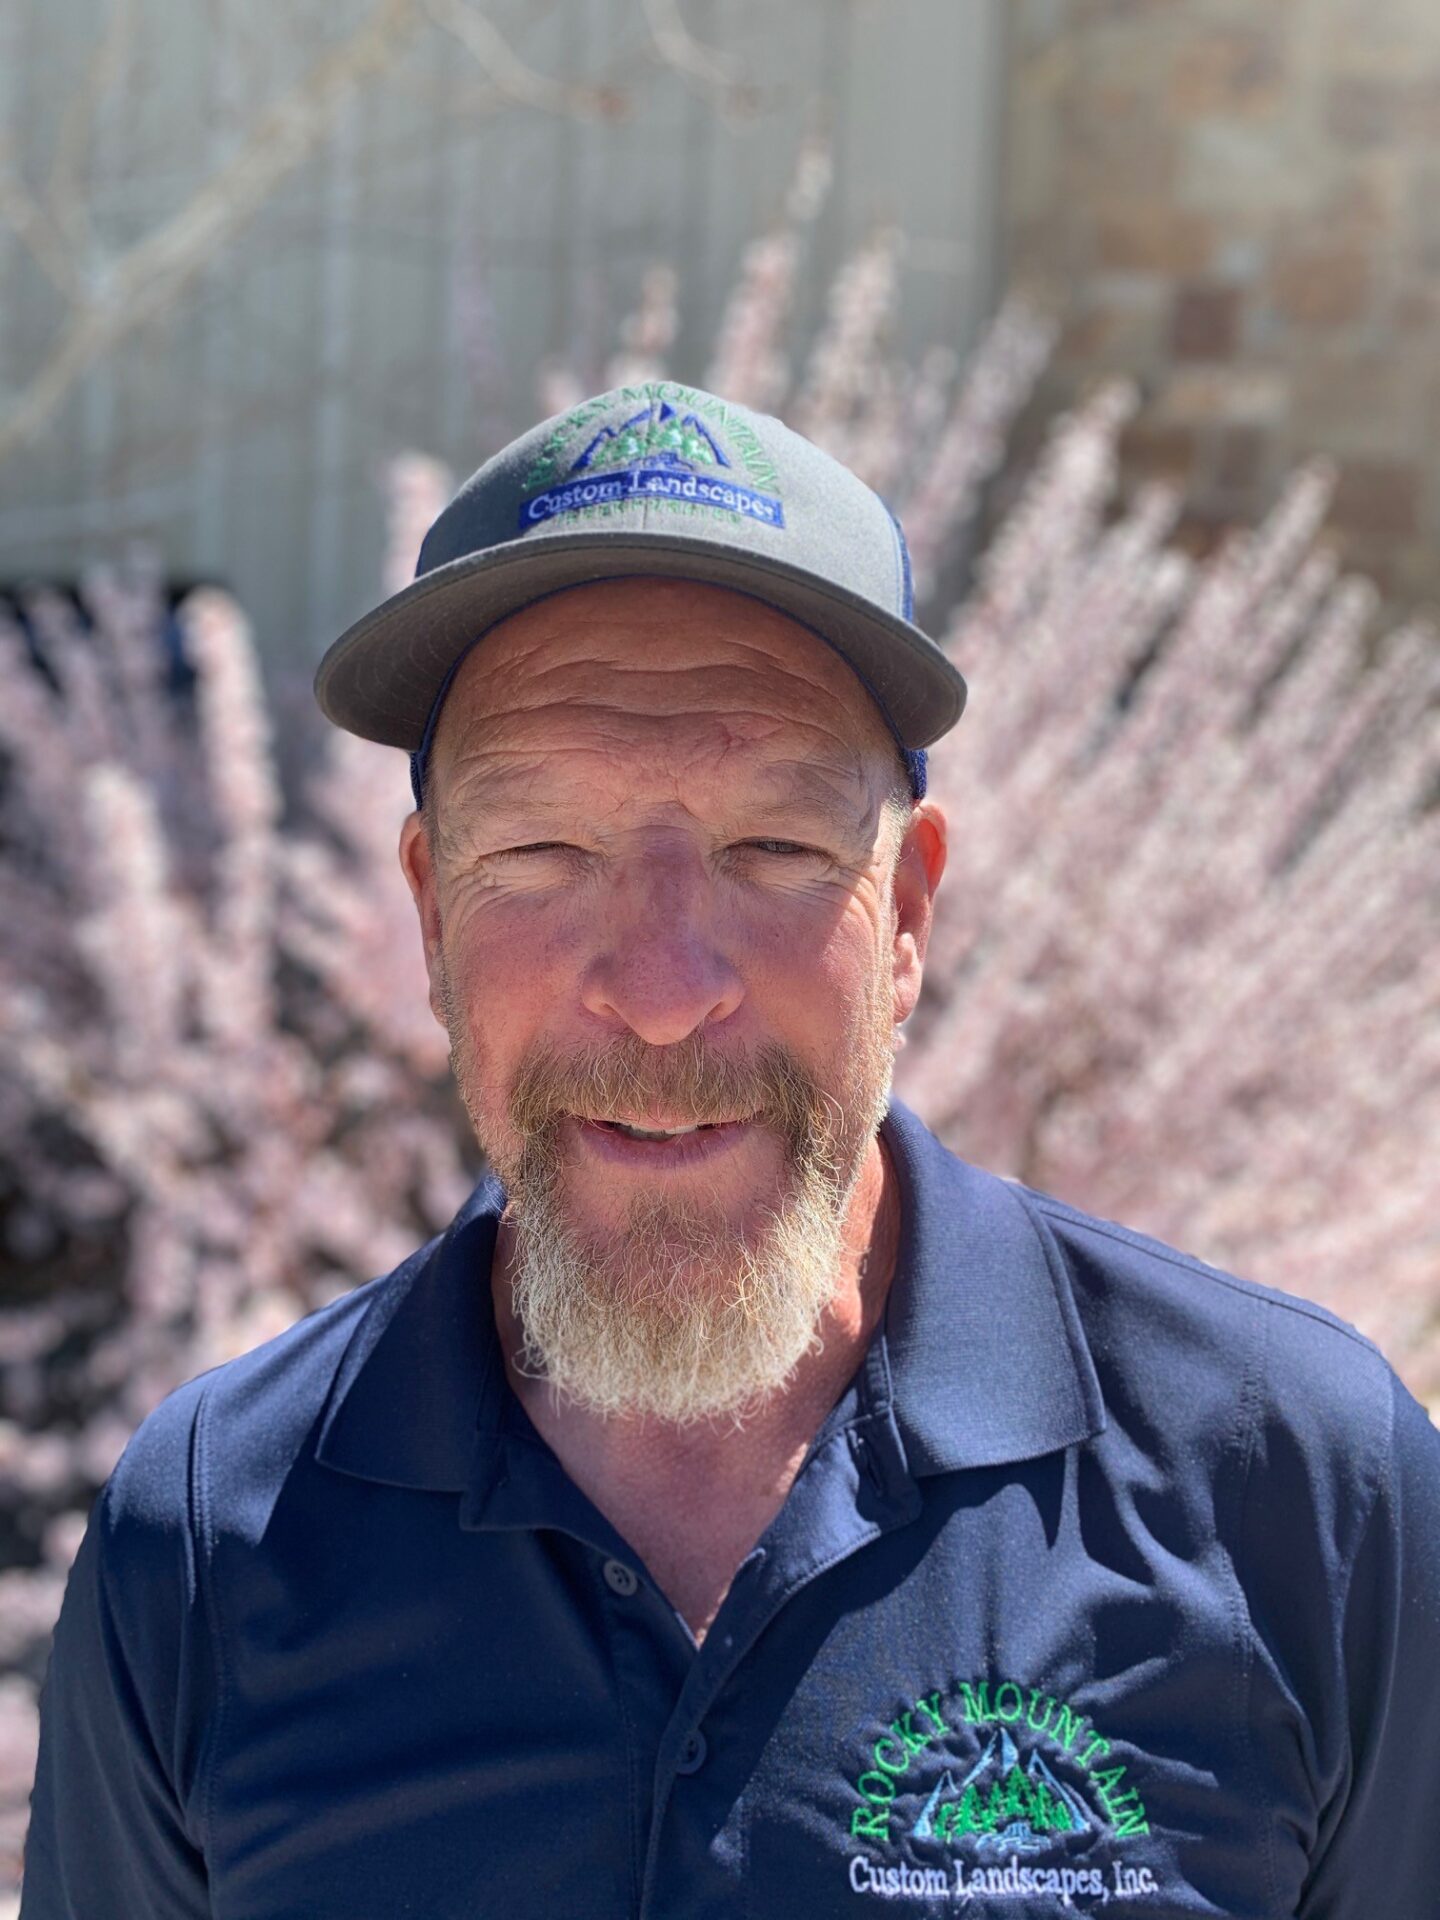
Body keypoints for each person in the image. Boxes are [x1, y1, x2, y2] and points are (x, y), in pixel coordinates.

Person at [20, 382, 1440, 1919]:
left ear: (904, 913)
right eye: (541, 854)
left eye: (774, 850)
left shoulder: (1300, 1488)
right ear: (429, 917)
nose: (660, 985)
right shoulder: (209, 1543)